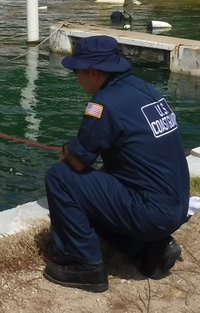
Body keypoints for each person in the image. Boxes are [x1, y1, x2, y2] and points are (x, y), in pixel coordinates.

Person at [43, 36, 190, 293]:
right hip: (176, 207)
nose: (75, 77)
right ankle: (150, 249)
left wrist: (66, 151)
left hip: (150, 213)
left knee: (60, 177)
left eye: (76, 71)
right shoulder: (144, 89)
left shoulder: (102, 105)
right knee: (96, 190)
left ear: (94, 73)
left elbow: (77, 161)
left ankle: (85, 265)